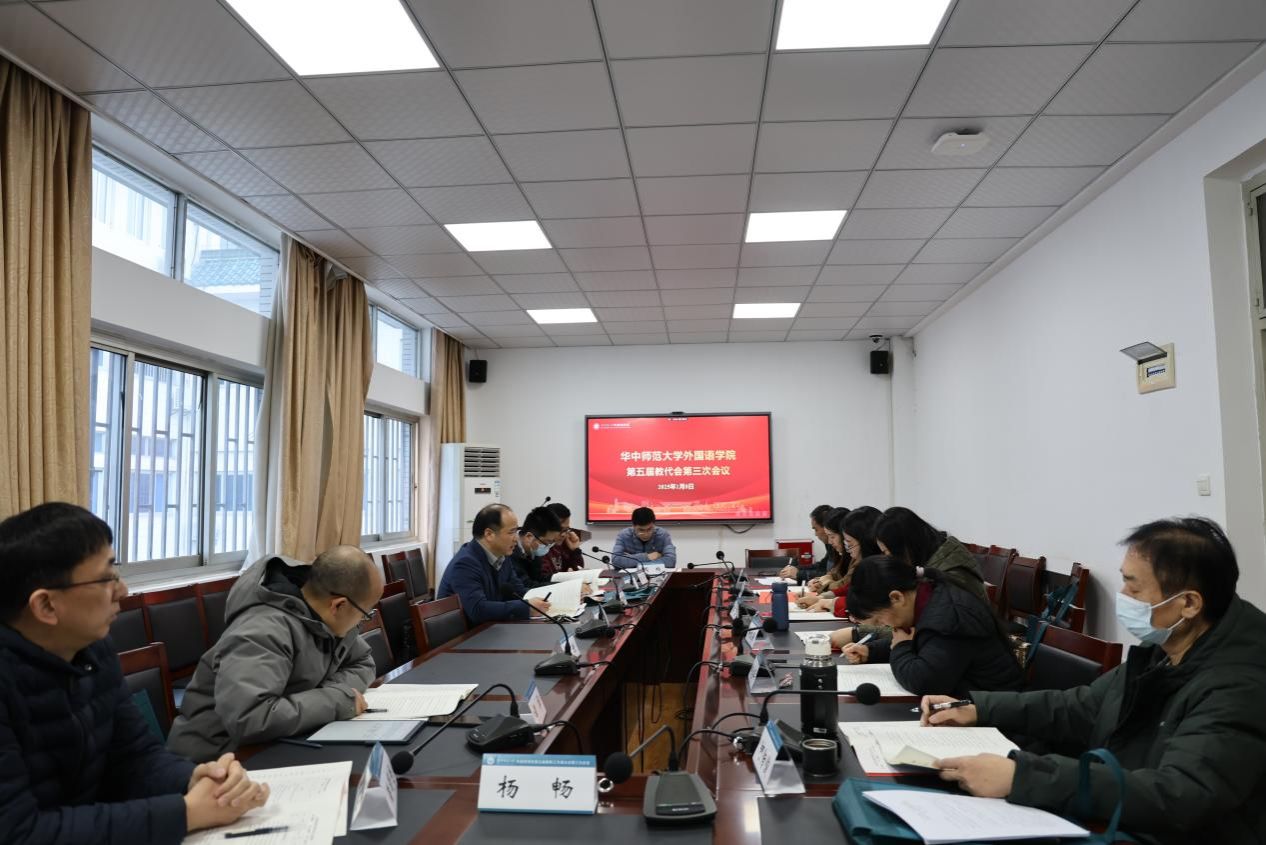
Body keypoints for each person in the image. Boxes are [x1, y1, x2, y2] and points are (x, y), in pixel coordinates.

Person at [923, 518, 1266, 844]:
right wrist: (978, 708)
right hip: (1121, 820)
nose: (1123, 595)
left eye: (1134, 586)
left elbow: (1178, 795)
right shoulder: (1165, 649)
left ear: (1188, 603)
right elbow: (1082, 706)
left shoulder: (1239, 686)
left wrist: (1022, 777)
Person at [0, 503, 269, 844]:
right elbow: (18, 833)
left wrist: (194, 780)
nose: (123, 591)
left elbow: (136, 757)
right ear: (46, 605)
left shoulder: (93, 651)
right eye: (106, 579)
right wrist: (186, 813)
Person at [167, 545, 382, 762]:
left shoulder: (327, 617)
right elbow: (250, 718)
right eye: (365, 614)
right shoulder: (262, 630)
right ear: (338, 605)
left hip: (279, 742)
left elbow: (363, 662)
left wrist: (325, 695)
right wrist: (335, 700)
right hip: (214, 760)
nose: (363, 621)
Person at [841, 555, 1023, 697]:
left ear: (896, 598)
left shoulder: (949, 616)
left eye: (879, 620)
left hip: (997, 715)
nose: (883, 626)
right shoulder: (929, 596)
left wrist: (901, 648)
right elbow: (924, 645)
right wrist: (871, 651)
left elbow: (925, 682)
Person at [437, 504, 552, 624]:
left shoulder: (503, 557)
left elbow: (519, 591)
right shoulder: (465, 563)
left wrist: (547, 597)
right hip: (467, 634)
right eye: (511, 532)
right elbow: (478, 610)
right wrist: (526, 607)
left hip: (492, 628)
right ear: (489, 534)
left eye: (516, 531)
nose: (515, 539)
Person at [872, 506, 988, 604]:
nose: (887, 559)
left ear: (905, 547)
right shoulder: (934, 556)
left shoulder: (948, 574)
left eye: (886, 552)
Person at [794, 506, 851, 608]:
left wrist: (823, 585)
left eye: (832, 536)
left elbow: (846, 586)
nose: (830, 541)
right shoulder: (838, 549)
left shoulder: (855, 555)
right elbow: (829, 570)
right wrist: (821, 580)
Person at [508, 506, 564, 589]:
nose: (547, 547)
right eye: (547, 542)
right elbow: (526, 586)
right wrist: (564, 586)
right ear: (529, 537)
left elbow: (539, 579)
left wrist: (568, 580)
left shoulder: (532, 551)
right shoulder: (509, 552)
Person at [779, 504, 834, 580]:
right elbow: (822, 566)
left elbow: (830, 575)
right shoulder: (830, 545)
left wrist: (799, 574)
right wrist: (797, 568)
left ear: (826, 528)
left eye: (816, 529)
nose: (815, 534)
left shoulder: (839, 547)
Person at [611, 507, 677, 569]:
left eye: (649, 529)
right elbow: (616, 561)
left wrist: (631, 559)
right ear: (633, 526)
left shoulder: (663, 534)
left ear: (654, 525)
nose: (646, 534)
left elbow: (671, 561)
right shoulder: (624, 535)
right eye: (641, 530)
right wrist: (647, 557)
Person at [539, 502, 585, 577]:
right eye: (560, 530)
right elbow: (544, 578)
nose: (563, 535)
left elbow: (577, 570)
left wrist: (575, 550)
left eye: (566, 529)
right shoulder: (539, 549)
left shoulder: (561, 545)